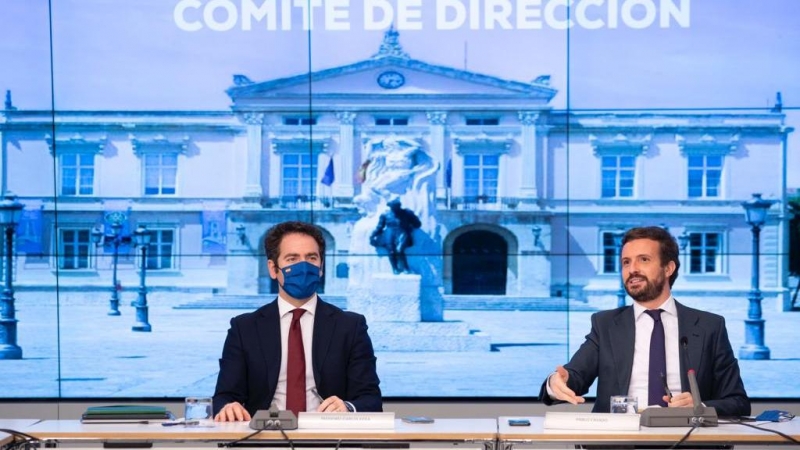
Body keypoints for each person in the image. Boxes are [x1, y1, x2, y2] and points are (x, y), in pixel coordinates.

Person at [540, 226, 750, 417]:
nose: (632, 269)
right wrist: (556, 383)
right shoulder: (605, 324)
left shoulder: (708, 326)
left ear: (668, 268)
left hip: (687, 438)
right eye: (626, 262)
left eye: (644, 260)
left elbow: (738, 402)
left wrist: (700, 407)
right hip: (619, 442)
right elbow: (574, 376)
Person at [213, 221, 382, 421]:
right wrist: (228, 407)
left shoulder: (350, 327)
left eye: (311, 258)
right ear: (273, 268)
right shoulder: (244, 328)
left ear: (320, 267)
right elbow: (224, 397)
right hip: (264, 439)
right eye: (292, 259)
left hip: (328, 439)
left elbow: (371, 399)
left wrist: (346, 407)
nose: (304, 266)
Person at [370, 198, 422, 274]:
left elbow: (417, 224)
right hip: (389, 232)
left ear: (399, 205)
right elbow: (380, 227)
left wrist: (409, 227)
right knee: (391, 251)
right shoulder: (385, 214)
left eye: (396, 206)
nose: (394, 208)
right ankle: (395, 268)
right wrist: (372, 235)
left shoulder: (407, 213)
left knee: (399, 249)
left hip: (402, 231)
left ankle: (406, 268)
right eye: (392, 206)